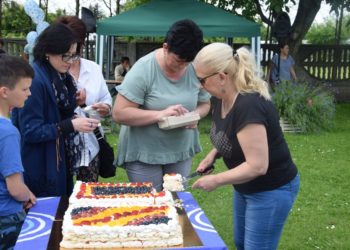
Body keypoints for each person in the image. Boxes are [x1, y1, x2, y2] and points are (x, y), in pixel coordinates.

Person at [192, 43, 300, 250]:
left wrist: (215, 180)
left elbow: (258, 166)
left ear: (222, 77)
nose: (199, 86)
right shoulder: (221, 99)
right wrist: (213, 154)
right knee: (242, 243)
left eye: (201, 80)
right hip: (245, 186)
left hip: (271, 189)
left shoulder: (249, 106)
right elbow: (231, 133)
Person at [112, 19, 211, 191]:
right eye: (179, 61)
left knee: (176, 204)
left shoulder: (193, 67)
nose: (183, 67)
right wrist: (159, 114)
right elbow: (119, 113)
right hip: (144, 153)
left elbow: (205, 104)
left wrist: (195, 116)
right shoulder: (143, 69)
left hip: (180, 151)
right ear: (165, 47)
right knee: (150, 209)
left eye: (188, 62)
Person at [12, 23, 100, 197]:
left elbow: (56, 113)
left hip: (57, 160)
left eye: (73, 56)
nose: (70, 62)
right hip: (40, 165)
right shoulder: (36, 81)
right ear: (47, 52)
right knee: (49, 216)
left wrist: (74, 103)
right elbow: (31, 131)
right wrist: (71, 125)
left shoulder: (59, 77)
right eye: (65, 56)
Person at [56, 15, 113, 182]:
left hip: (91, 144)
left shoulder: (93, 68)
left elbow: (106, 99)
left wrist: (105, 108)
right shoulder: (52, 72)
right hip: (61, 147)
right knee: (63, 198)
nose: (74, 49)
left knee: (88, 197)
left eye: (78, 43)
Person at [0, 54, 37, 249]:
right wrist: (28, 195)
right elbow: (15, 189)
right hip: (7, 219)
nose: (29, 93)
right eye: (25, 88)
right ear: (5, 92)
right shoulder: (7, 132)